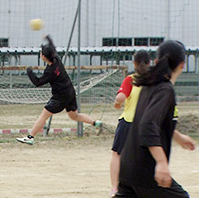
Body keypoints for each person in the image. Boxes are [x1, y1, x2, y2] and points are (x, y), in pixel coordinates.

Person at [117, 40, 196, 198]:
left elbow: (150, 120)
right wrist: (161, 162)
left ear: (156, 61)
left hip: (127, 167)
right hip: (146, 172)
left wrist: (177, 136)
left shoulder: (148, 85)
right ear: (182, 65)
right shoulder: (165, 90)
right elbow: (147, 125)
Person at [16, 35, 103, 145]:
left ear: (43, 57)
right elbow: (52, 46)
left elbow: (38, 82)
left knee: (44, 115)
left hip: (60, 96)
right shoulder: (57, 59)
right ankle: (95, 123)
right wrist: (48, 38)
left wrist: (29, 71)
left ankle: (30, 137)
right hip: (70, 91)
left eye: (41, 53)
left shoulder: (50, 71)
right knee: (74, 116)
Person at [109, 50, 151, 197]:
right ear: (149, 63)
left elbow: (120, 98)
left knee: (117, 155)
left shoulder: (131, 79)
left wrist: (116, 103)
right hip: (146, 125)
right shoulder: (154, 80)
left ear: (134, 63)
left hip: (127, 123)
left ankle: (115, 188)